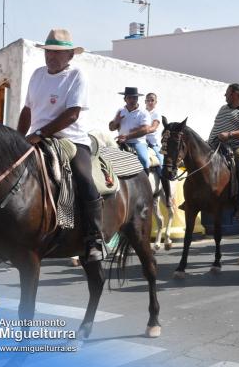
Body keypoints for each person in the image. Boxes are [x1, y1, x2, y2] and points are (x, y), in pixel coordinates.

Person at [17, 28, 103, 262]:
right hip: (36, 136)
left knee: (85, 180)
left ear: (70, 56)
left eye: (57, 52)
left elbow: (72, 114)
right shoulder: (37, 75)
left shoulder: (77, 76)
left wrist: (41, 133)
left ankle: (94, 238)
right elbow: (27, 110)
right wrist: (16, 138)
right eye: (48, 52)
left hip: (71, 139)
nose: (51, 56)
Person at [208, 83, 239, 214]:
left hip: (236, 146)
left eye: (227, 93)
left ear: (235, 94)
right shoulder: (223, 108)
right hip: (214, 143)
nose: (225, 95)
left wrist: (229, 135)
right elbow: (216, 127)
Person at [109, 87, 156, 173]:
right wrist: (116, 122)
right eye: (129, 97)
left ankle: (146, 182)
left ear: (137, 99)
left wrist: (127, 137)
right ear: (125, 99)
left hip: (138, 142)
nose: (132, 100)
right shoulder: (120, 111)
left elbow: (145, 129)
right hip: (121, 141)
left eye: (134, 98)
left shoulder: (143, 112)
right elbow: (111, 128)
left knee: (144, 160)